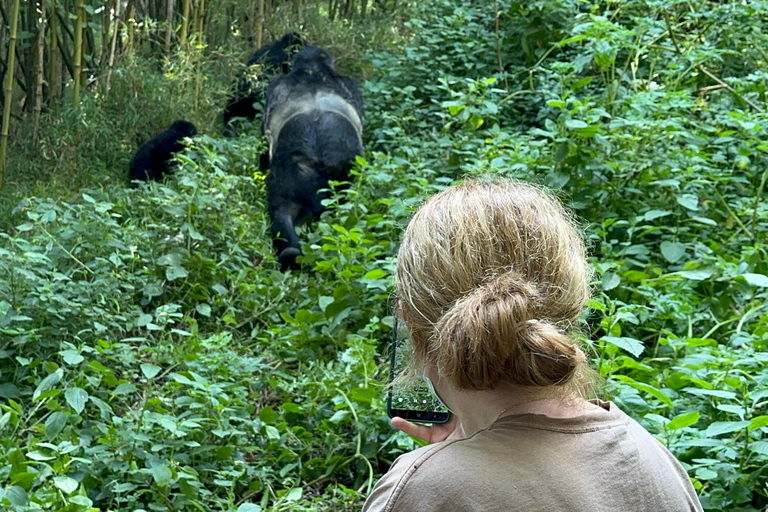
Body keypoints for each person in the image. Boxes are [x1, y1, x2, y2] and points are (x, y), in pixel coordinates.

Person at [363, 180, 703, 512]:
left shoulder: (420, 491)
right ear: (572, 308)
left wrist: (444, 466)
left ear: (414, 329)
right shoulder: (653, 459)